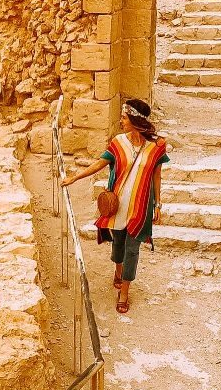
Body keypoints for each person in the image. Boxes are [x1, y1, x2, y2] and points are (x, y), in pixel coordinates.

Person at [62, 98, 169, 314]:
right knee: (118, 244)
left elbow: (157, 175)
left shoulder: (157, 146)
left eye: (123, 117)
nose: (120, 121)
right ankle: (118, 270)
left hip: (141, 206)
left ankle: (124, 292)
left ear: (135, 120)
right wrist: (75, 177)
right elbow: (99, 164)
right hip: (118, 205)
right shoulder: (118, 142)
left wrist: (158, 204)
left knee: (133, 249)